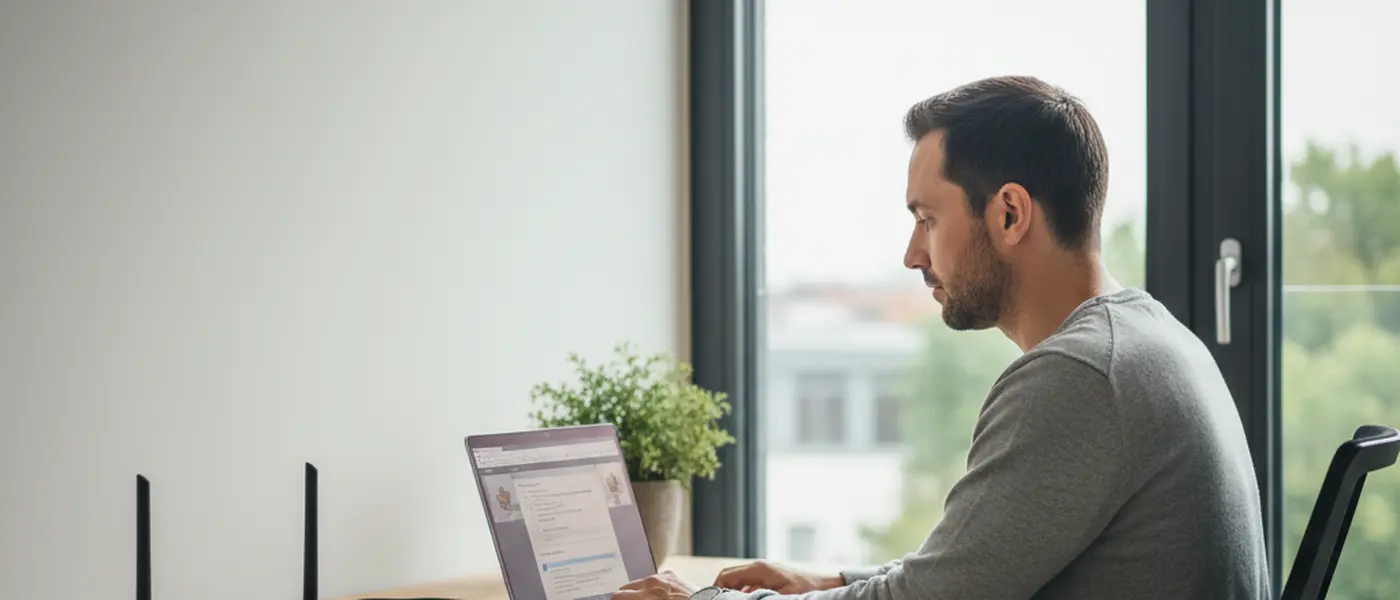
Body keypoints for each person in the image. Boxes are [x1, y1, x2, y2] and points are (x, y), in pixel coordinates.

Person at [613, 75, 1271, 600]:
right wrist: (838, 581)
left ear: (1009, 213)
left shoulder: (1081, 375)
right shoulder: (1150, 340)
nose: (911, 254)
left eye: (928, 220)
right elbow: (969, 572)